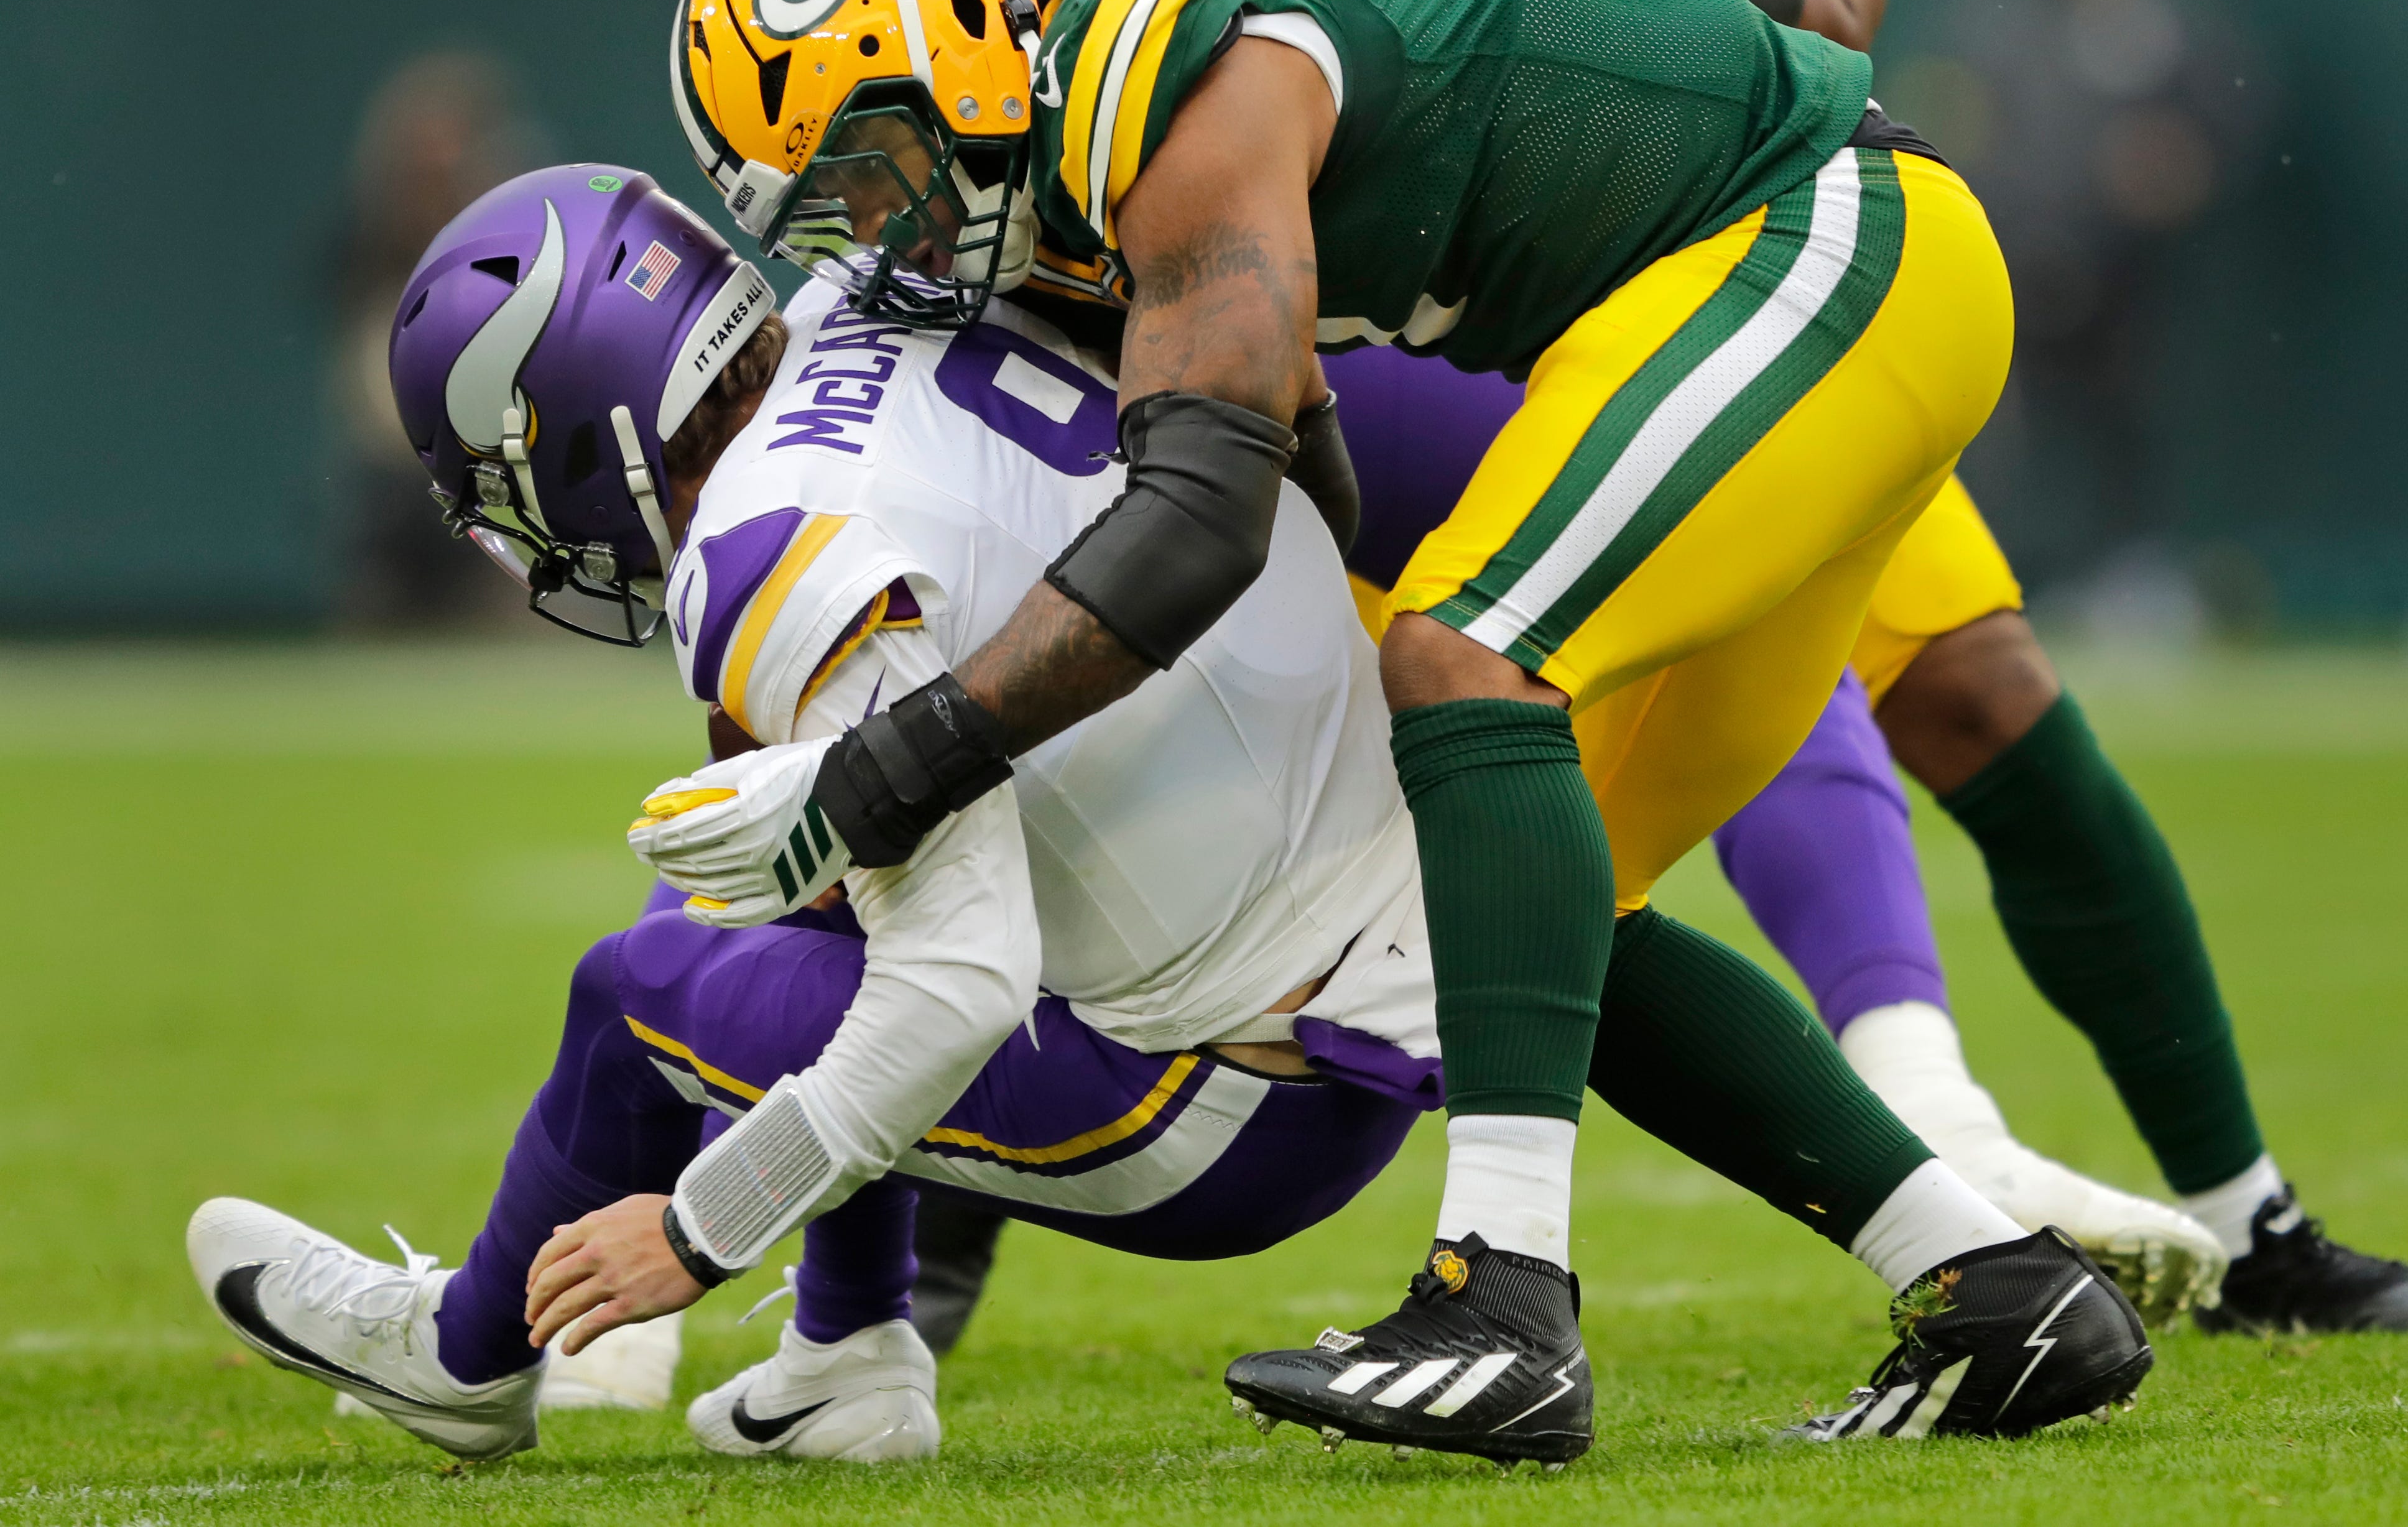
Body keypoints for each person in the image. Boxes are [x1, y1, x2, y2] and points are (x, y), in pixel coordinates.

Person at [187, 165, 2149, 1465]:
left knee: (646, 978)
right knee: (1569, 947)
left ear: (590, 434)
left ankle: (460, 1353)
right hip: (1364, 845)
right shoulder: (904, 301)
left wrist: (699, 1228)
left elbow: (951, 993)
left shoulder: (770, 558)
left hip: (1214, 1095)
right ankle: (1982, 1265)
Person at [927, 0, 2408, 1339]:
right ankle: (1969, 1212)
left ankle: (904, 1249)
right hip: (1461, 272)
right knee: (1547, 843)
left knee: (1106, 677)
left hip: (1562, 266)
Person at [640, 0, 2070, 1459]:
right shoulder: (1089, 138)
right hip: (1761, 277)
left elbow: (1198, 512)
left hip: (1819, 241)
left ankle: (1501, 1302)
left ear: (958, 33)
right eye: (831, 211)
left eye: (870, 169)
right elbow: (1295, 435)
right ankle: (1993, 1284)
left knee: (1465, 668)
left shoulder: (1159, 75)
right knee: (1532, 886)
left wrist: (890, 766)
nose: (878, 233)